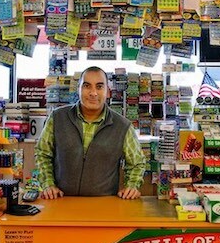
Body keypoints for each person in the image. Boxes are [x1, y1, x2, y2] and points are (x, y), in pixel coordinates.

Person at [35, 66, 146, 200]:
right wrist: (47, 184)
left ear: (108, 92)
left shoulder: (122, 126)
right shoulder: (57, 118)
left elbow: (137, 163)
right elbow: (42, 153)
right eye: (87, 86)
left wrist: (132, 186)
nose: (93, 93)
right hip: (61, 202)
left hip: (104, 206)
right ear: (78, 89)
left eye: (99, 87)